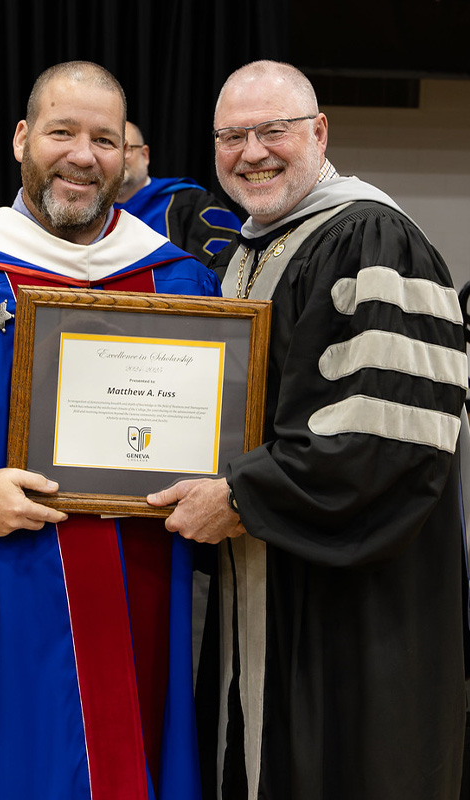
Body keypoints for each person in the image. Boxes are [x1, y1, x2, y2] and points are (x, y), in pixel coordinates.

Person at [0, 61, 221, 800]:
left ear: (128, 158)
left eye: (104, 138)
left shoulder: (178, 284)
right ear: (23, 140)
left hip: (141, 587)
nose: (83, 155)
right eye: (62, 132)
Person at [147, 60, 470, 799]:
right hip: (263, 575)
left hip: (356, 601)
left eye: (273, 130)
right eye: (232, 136)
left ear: (319, 132)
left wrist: (239, 496)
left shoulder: (376, 238)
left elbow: (387, 441)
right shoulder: (244, 254)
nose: (252, 151)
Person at [114, 121, 241, 263]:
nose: (119, 158)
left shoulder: (194, 204)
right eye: (109, 147)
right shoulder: (92, 212)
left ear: (145, 155)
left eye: (126, 149)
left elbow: (219, 272)